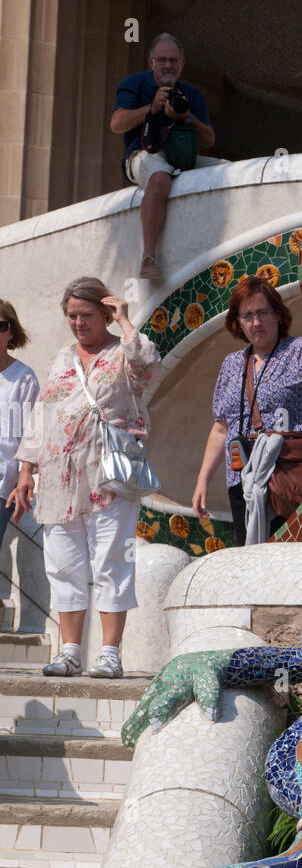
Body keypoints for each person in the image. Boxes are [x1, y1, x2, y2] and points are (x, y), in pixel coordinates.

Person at [9, 280, 160, 679]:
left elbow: (147, 362)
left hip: (108, 477)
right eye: (72, 315)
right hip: (59, 478)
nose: (78, 322)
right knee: (63, 564)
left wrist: (126, 321)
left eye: (86, 315)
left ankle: (110, 653)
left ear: (105, 314)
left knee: (112, 561)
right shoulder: (61, 359)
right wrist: (27, 471)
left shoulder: (122, 352)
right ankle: (70, 652)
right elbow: (41, 416)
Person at [193, 276, 302, 545]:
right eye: (247, 315)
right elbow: (221, 428)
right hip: (243, 481)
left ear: (278, 315)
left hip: (289, 476)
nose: (256, 322)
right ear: (237, 322)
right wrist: (203, 481)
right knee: (251, 563)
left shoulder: (298, 350)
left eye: (262, 313)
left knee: (293, 559)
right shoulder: (232, 364)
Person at [111, 33, 220, 281]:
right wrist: (151, 108)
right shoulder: (136, 84)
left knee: (230, 172)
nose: (168, 65)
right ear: (151, 63)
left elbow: (209, 140)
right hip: (143, 155)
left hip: (182, 158)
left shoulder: (190, 94)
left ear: (182, 64)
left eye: (173, 60)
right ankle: (149, 257)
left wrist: (187, 117)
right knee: (160, 178)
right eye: (162, 60)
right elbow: (117, 124)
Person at [0, 301, 39, 551]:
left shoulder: (24, 378)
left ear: (11, 331)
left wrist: (25, 473)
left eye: (0, 326)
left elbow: (32, 433)